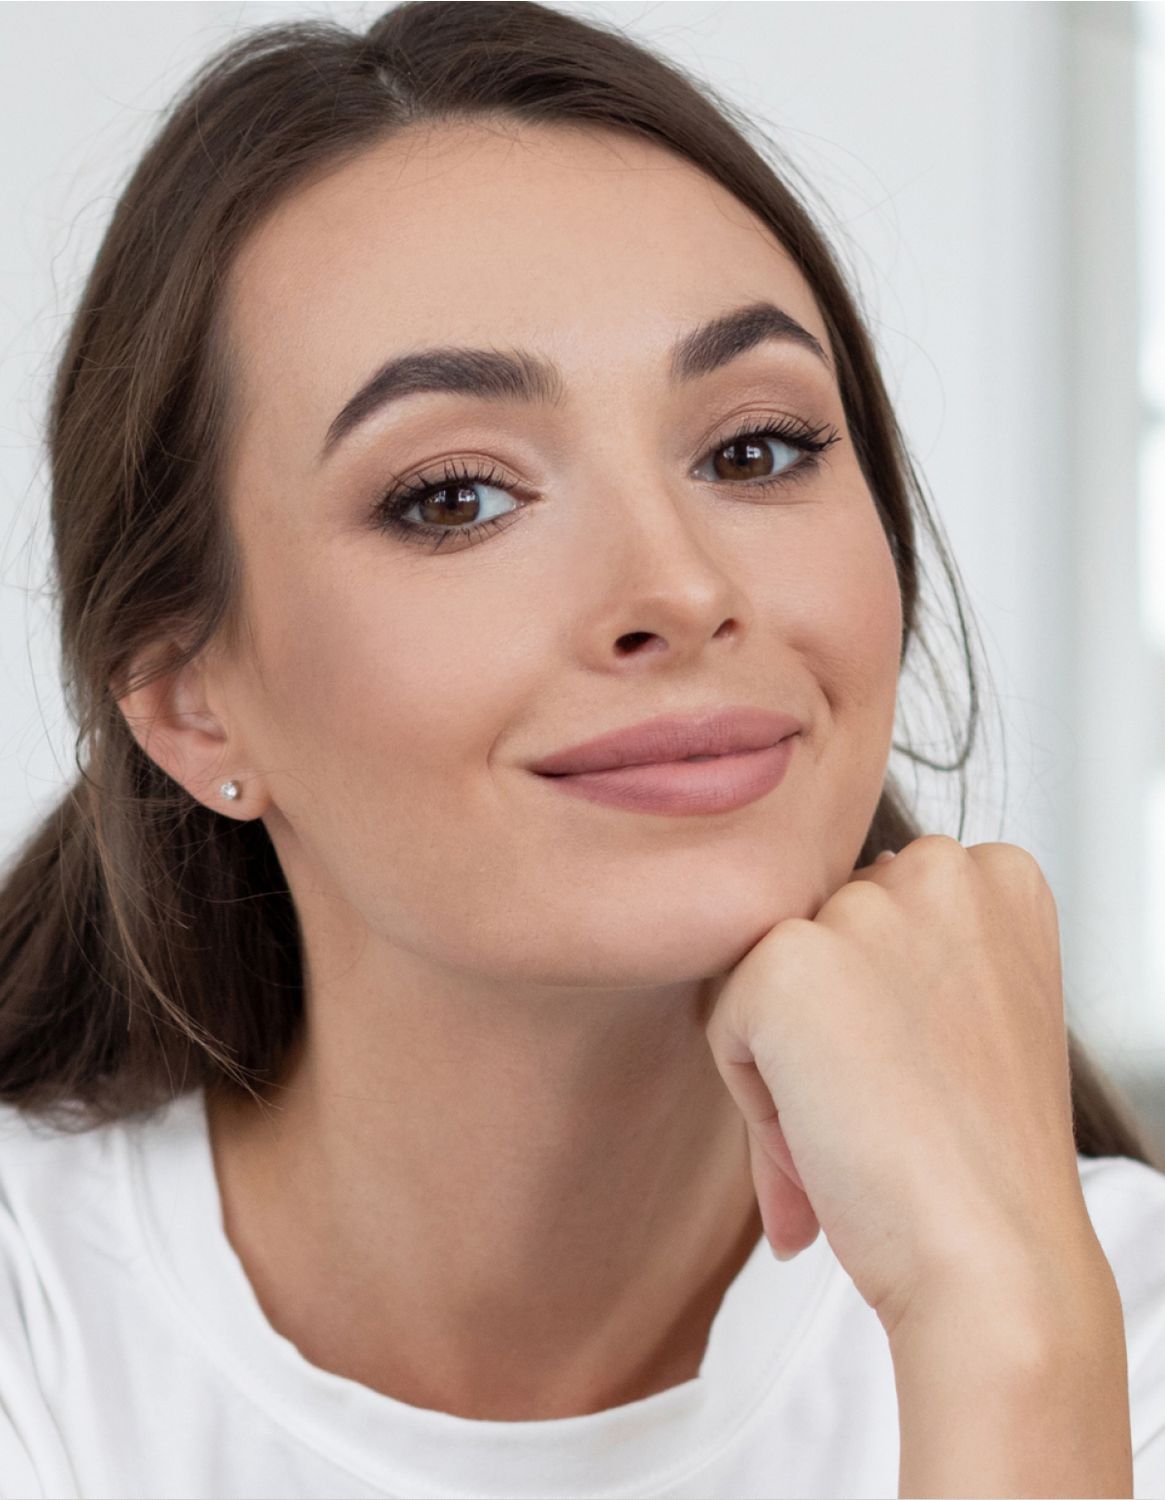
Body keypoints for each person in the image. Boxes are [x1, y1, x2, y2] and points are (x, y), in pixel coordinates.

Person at [0, 2, 1162, 1496]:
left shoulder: (1092, 1332)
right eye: (454, 498)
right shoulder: (41, 1317)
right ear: (184, 701)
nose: (679, 590)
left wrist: (1002, 1330)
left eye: (755, 450)